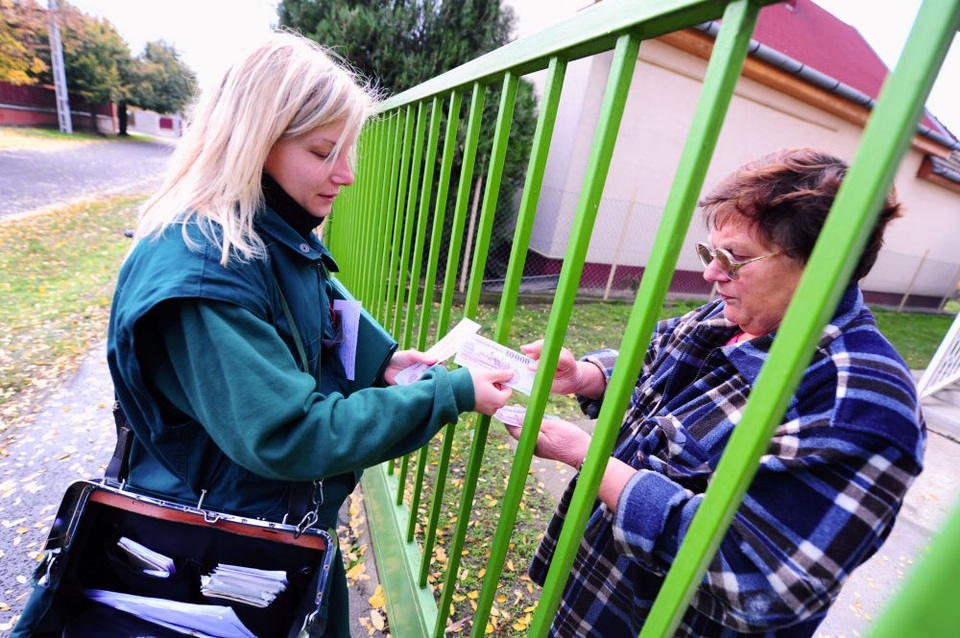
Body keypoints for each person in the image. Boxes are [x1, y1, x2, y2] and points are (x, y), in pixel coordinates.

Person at [14, 32, 514, 638]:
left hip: (268, 530)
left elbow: (318, 310)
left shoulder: (267, 229)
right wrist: (449, 394)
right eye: (325, 151)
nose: (348, 175)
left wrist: (381, 363)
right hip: (220, 552)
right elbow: (289, 433)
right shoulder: (204, 273)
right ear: (253, 144)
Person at [508, 148, 925, 637]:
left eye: (735, 258)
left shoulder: (860, 406)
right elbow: (653, 358)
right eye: (710, 252)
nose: (711, 274)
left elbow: (761, 577)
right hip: (595, 596)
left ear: (825, 267)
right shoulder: (732, 316)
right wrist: (584, 375)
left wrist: (589, 459)